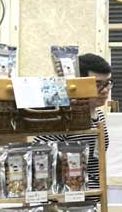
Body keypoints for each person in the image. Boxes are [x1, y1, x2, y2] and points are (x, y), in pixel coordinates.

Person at [36, 53, 112, 189]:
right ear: (78, 83)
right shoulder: (62, 117)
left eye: (107, 83)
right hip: (67, 196)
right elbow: (41, 156)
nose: (105, 90)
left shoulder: (99, 115)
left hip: (95, 195)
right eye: (97, 84)